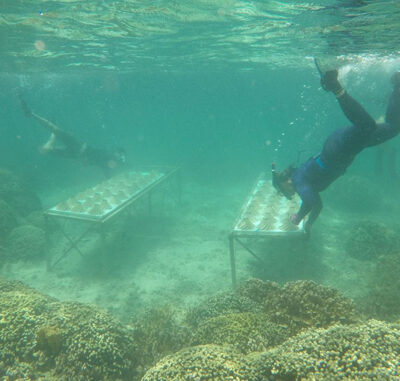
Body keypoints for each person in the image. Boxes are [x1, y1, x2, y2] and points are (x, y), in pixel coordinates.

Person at [272, 69, 400, 235]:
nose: (286, 194)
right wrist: (308, 224)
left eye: (282, 191)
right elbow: (316, 204)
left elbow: (310, 201)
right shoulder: (302, 181)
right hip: (340, 146)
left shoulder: (298, 181)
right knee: (392, 128)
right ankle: (397, 83)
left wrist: (297, 218)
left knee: (368, 126)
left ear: (285, 181)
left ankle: (335, 87)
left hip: (339, 150)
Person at [19, 96, 126, 178]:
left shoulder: (108, 160)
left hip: (76, 152)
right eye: (119, 155)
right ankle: (32, 115)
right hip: (77, 149)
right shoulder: (110, 157)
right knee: (53, 134)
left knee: (52, 136)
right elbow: (106, 163)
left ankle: (37, 120)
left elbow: (106, 168)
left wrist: (91, 163)